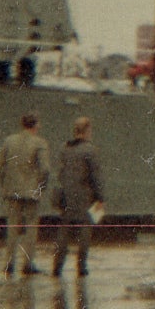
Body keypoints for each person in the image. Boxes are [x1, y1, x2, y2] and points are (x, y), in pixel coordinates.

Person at [0, 112, 52, 276]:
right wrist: (40, 188)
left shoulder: (9, 141)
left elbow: (0, 167)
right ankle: (27, 264)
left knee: (12, 227)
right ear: (36, 125)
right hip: (31, 192)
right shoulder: (40, 143)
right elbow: (45, 169)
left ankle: (9, 263)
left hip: (12, 191)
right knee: (31, 228)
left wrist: (5, 185)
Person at [50, 116, 104, 277]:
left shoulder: (64, 148)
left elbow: (60, 172)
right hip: (85, 197)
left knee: (64, 232)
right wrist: (101, 198)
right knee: (84, 232)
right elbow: (96, 176)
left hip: (66, 195)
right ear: (87, 130)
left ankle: (57, 267)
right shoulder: (90, 150)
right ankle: (81, 267)